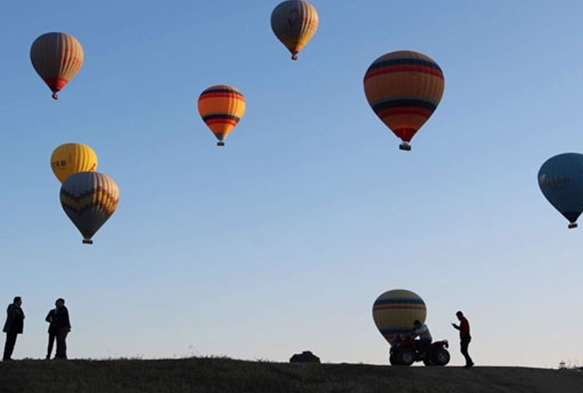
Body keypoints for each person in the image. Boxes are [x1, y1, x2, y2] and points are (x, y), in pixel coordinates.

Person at [3, 296, 25, 361]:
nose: (21, 302)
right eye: (20, 301)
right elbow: (15, 315)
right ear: (17, 301)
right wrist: (20, 315)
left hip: (15, 328)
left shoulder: (19, 308)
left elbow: (21, 315)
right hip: (11, 328)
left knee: (12, 343)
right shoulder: (11, 306)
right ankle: (6, 357)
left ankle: (8, 356)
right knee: (9, 343)